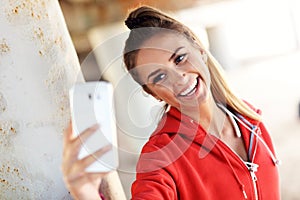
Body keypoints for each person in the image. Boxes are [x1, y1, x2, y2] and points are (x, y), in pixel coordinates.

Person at [62, 5, 280, 200]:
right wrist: (87, 194)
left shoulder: (251, 119)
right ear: (153, 93)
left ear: (200, 50)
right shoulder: (160, 157)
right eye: (159, 77)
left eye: (179, 58)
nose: (179, 78)